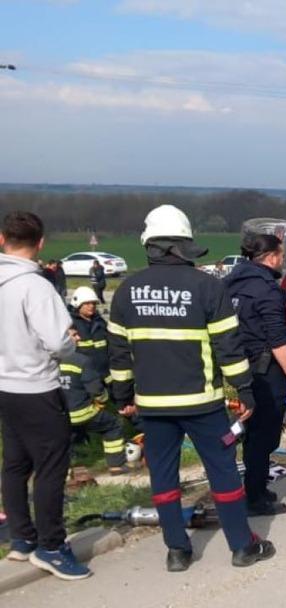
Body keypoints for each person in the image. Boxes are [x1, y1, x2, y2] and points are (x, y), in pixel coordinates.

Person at [109, 205, 274, 572]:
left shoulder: (126, 291)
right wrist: (244, 389)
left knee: (164, 477)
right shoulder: (207, 287)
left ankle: (177, 551)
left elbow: (119, 355)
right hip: (203, 404)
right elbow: (228, 348)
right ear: (184, 245)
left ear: (150, 245)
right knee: (223, 472)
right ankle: (242, 546)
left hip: (152, 406)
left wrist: (122, 398)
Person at [0, 211, 87, 580]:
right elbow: (57, 342)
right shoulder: (36, 286)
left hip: (4, 384)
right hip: (36, 385)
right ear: (40, 244)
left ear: (3, 239)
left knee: (16, 462)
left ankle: (21, 538)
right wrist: (70, 344)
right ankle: (51, 546)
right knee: (51, 466)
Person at [223, 234, 286, 516]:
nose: (283, 260)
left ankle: (257, 486)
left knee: (250, 432)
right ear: (272, 257)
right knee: (264, 434)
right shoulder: (267, 289)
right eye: (281, 255)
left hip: (235, 368)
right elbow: (277, 339)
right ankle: (255, 497)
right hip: (264, 370)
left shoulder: (229, 282)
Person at [59, 349, 128, 475]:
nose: (78, 337)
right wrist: (103, 401)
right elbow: (96, 390)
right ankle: (116, 465)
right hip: (84, 413)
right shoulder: (80, 360)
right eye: (74, 335)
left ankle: (63, 471)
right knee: (113, 425)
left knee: (60, 439)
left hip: (58, 416)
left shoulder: (45, 360)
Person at [69, 286, 110, 385]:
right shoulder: (70, 324)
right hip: (83, 378)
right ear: (77, 304)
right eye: (87, 303)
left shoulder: (100, 322)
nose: (91, 306)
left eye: (93, 303)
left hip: (104, 375)